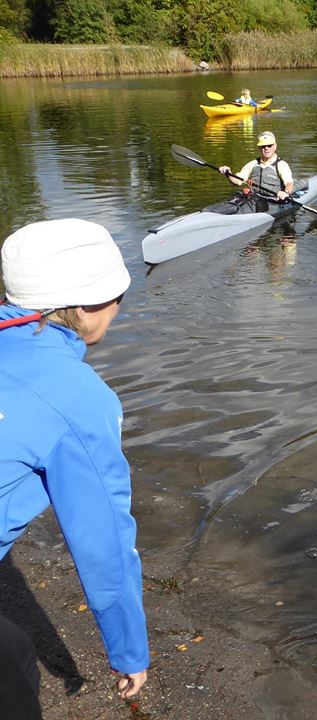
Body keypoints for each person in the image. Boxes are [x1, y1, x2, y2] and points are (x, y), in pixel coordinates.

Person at [0, 219, 149, 709]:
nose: (119, 311)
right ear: (87, 307)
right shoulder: (80, 399)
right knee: (13, 665)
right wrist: (129, 651)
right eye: (118, 299)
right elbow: (102, 540)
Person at [218, 131, 294, 202]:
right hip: (254, 199)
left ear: (275, 146)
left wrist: (285, 192)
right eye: (263, 146)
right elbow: (237, 181)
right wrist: (228, 173)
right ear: (259, 148)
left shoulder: (281, 165)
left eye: (269, 145)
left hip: (274, 200)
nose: (266, 148)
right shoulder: (252, 164)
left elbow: (289, 183)